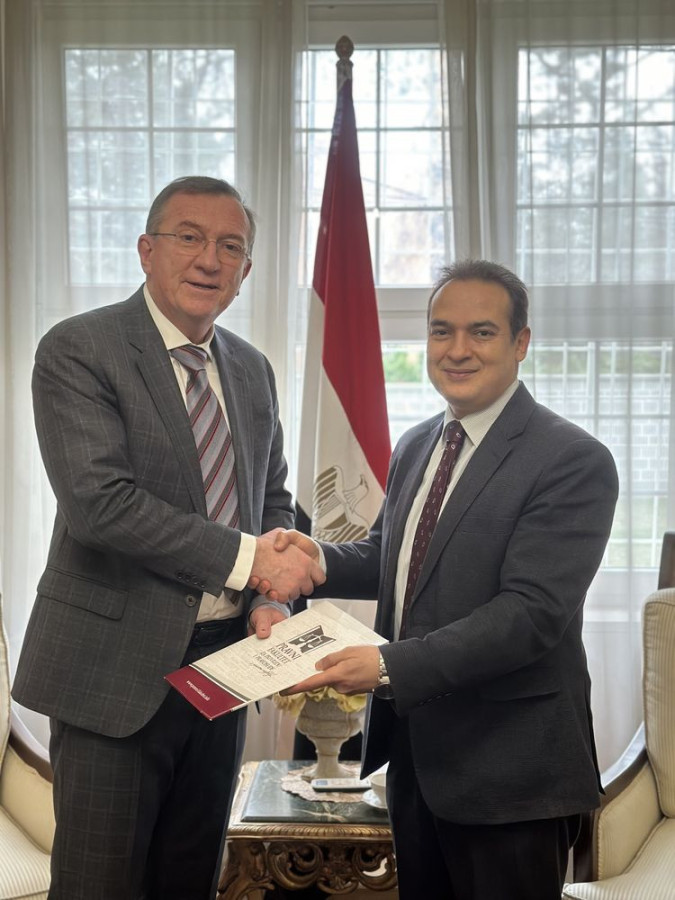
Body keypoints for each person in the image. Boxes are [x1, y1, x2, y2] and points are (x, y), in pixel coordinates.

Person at [263, 260, 619, 900]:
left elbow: (531, 614)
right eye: (441, 330)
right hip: (417, 763)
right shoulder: (420, 443)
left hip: (511, 775)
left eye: (481, 332)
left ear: (521, 342)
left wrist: (387, 665)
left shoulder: (572, 459)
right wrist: (320, 560)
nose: (457, 350)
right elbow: (398, 556)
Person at [12, 176, 323, 900]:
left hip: (224, 673)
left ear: (246, 271)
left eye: (229, 246)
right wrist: (251, 560)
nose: (209, 259)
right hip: (111, 678)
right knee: (99, 887)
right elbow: (101, 505)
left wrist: (268, 600)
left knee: (190, 882)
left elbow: (270, 501)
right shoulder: (80, 349)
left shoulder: (251, 370)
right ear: (146, 250)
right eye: (189, 237)